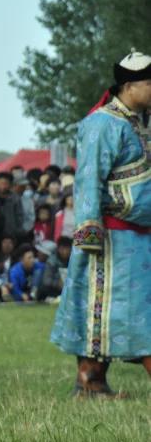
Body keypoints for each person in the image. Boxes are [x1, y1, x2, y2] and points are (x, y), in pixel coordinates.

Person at [51, 49, 151, 398]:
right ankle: (90, 382)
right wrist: (90, 232)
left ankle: (93, 384)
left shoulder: (143, 122)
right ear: (129, 85)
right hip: (110, 240)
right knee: (103, 310)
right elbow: (89, 179)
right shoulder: (101, 124)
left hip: (143, 239)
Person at [39, 237, 71, 301]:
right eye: (62, 249)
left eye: (67, 249)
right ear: (58, 249)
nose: (65, 252)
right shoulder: (52, 261)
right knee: (43, 288)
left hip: (70, 287)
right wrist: (57, 283)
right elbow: (46, 280)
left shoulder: (74, 260)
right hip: (55, 289)